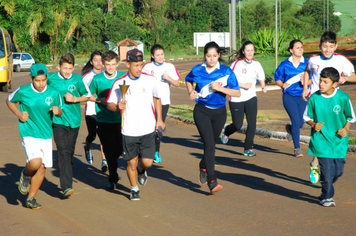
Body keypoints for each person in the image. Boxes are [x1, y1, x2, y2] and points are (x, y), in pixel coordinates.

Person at [107, 49, 165, 200]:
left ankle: (141, 169)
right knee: (131, 162)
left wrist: (159, 119)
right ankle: (134, 188)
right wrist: (117, 106)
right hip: (129, 130)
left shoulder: (150, 80)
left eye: (141, 65)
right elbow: (110, 104)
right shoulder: (119, 83)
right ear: (127, 64)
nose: (140, 68)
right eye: (136, 65)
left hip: (147, 129)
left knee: (148, 162)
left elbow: (157, 98)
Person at [185, 41, 240, 193]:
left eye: (214, 56)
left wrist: (220, 88)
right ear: (205, 56)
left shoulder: (226, 71)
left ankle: (203, 165)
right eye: (208, 56)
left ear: (219, 55)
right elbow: (188, 80)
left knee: (211, 145)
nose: (211, 59)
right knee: (209, 145)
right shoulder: (197, 69)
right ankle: (212, 180)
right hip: (201, 111)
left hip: (219, 113)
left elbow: (237, 92)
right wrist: (191, 92)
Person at [301, 31, 356, 184]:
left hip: (334, 100)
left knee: (332, 131)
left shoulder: (341, 60)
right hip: (317, 99)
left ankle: (330, 163)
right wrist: (305, 88)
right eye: (324, 47)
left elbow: (353, 75)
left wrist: (345, 77)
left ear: (335, 46)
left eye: (330, 47)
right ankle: (314, 163)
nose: (327, 50)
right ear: (320, 46)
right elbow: (307, 71)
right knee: (319, 131)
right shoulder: (313, 59)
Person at [6, 64, 62, 209]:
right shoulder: (23, 91)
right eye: (37, 80)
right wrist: (19, 114)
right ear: (31, 79)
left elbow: (60, 109)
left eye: (43, 80)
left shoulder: (53, 92)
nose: (41, 84)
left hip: (46, 134)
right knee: (36, 162)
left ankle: (30, 198)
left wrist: (57, 111)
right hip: (29, 132)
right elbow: (9, 101)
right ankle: (25, 174)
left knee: (42, 168)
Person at [303, 67, 355, 207]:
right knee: (327, 171)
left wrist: (345, 129)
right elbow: (306, 116)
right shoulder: (314, 97)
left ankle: (326, 185)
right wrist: (313, 124)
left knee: (337, 172)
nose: (321, 84)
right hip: (321, 140)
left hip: (338, 141)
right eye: (320, 81)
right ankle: (327, 196)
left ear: (334, 83)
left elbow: (350, 117)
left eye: (325, 82)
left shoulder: (343, 98)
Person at [48, 53, 90, 198]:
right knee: (63, 150)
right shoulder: (51, 79)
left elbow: (87, 96)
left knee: (69, 151)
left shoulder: (78, 80)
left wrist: (75, 99)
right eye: (65, 68)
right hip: (58, 121)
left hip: (74, 121)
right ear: (59, 67)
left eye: (70, 69)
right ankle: (66, 186)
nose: (67, 72)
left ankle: (66, 172)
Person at [220, 41, 267, 156]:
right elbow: (230, 80)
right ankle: (227, 131)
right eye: (248, 50)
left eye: (252, 50)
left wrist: (263, 86)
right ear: (243, 51)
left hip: (251, 97)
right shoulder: (237, 64)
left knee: (252, 123)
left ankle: (248, 147)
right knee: (238, 125)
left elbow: (261, 77)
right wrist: (243, 85)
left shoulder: (256, 64)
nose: (250, 53)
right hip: (237, 98)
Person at [89, 50, 125, 190]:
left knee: (119, 150)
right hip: (103, 120)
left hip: (121, 121)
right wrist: (100, 100)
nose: (110, 67)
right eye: (108, 64)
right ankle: (113, 177)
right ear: (103, 64)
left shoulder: (123, 77)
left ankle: (114, 166)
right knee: (109, 151)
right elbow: (89, 96)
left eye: (113, 64)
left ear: (117, 64)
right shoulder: (97, 79)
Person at [142, 44, 180, 163]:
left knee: (159, 127)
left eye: (162, 54)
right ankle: (146, 149)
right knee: (149, 126)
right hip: (149, 101)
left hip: (164, 101)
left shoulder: (169, 66)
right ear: (152, 56)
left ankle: (156, 151)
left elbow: (177, 84)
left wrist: (169, 78)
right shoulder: (147, 67)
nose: (160, 57)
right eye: (157, 55)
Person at [274, 40, 310, 157]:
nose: (300, 49)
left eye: (301, 47)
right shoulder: (285, 64)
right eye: (297, 47)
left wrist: (306, 82)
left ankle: (289, 129)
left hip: (303, 96)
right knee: (295, 121)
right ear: (291, 50)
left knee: (300, 123)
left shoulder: (308, 63)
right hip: (289, 96)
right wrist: (281, 85)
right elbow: (277, 78)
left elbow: (314, 79)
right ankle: (297, 148)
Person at [82, 50, 108, 172]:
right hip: (91, 111)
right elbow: (84, 95)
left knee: (103, 135)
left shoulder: (105, 75)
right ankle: (87, 148)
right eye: (95, 60)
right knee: (92, 135)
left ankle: (104, 160)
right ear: (91, 62)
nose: (98, 62)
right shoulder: (86, 77)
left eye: (100, 60)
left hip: (102, 111)